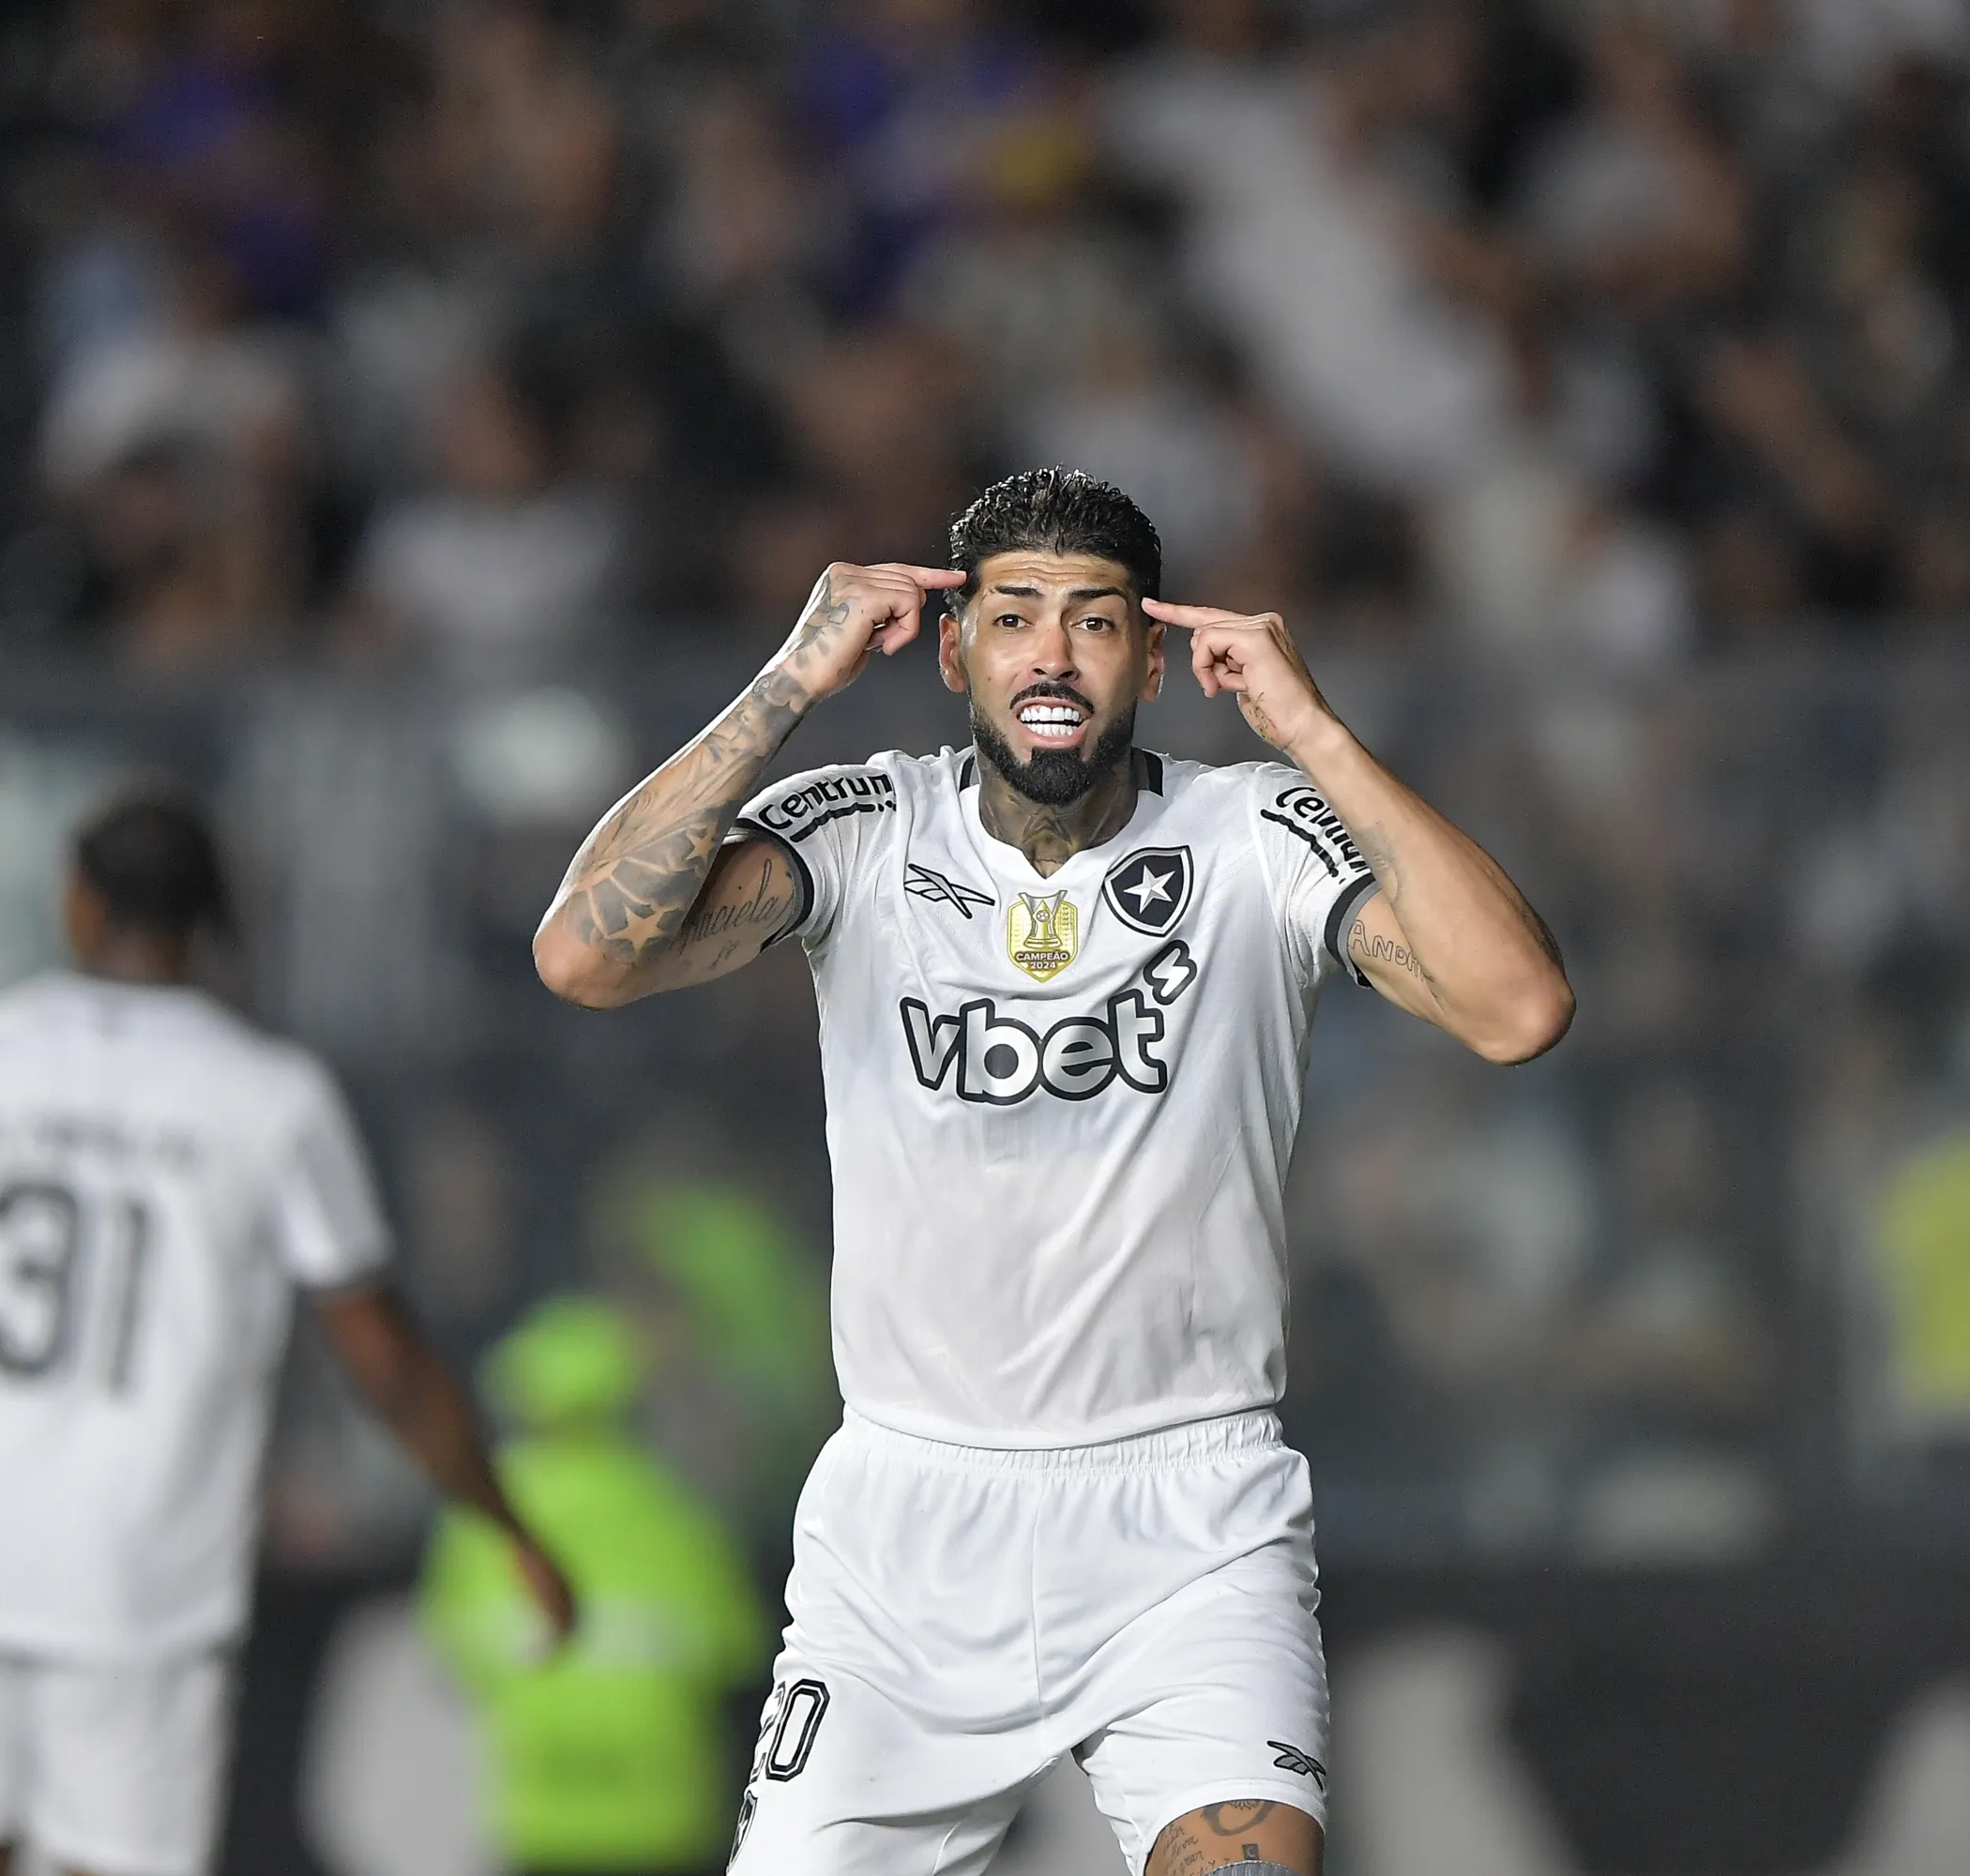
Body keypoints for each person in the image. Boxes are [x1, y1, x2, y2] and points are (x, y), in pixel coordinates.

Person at [533, 467, 1571, 1876]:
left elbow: (1517, 1008)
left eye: (1094, 622)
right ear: (957, 650)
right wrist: (789, 679)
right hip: (907, 1526)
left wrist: (1314, 729)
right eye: (1016, 617)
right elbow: (586, 956)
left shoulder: (1255, 835)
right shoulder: (863, 828)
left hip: (1188, 1521)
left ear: (1153, 655)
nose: (1054, 656)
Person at [0, 785, 574, 1876]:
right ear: (212, 923)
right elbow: (385, 1364)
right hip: (136, 1574)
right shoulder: (272, 1097)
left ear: (77, 902)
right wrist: (503, 1517)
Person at [417, 1295, 769, 1876]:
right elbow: (734, 1652)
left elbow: (451, 1650)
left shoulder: (486, 1518)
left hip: (541, 1818)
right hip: (665, 1821)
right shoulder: (677, 1512)